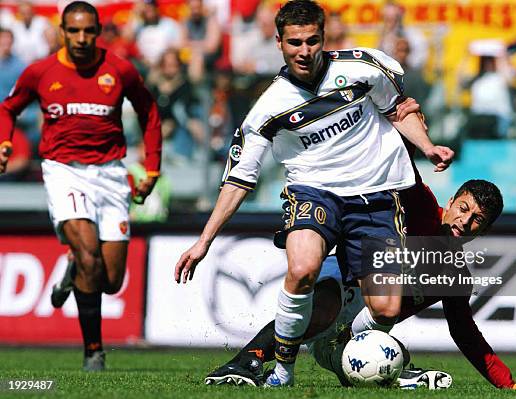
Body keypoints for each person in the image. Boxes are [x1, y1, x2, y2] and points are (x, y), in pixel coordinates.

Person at [174, 0, 453, 387]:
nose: (303, 51)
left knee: (387, 309)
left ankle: (339, 345)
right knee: (302, 269)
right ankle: (282, 371)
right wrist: (204, 241)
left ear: (323, 38)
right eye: (294, 43)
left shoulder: (364, 67)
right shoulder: (268, 108)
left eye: (311, 41)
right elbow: (239, 179)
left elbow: (399, 110)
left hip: (375, 194)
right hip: (314, 192)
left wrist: (427, 146)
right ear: (279, 43)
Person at [205, 180, 516, 390]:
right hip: (341, 285)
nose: (465, 221)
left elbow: (464, 333)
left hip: (354, 341)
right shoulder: (419, 205)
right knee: (326, 305)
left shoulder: (454, 275)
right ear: (450, 202)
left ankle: (396, 374)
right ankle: (247, 360)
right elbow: (394, 166)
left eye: (477, 220)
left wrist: (509, 385)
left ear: (483, 230)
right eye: (463, 209)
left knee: (387, 357)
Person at [0, 1, 162, 371]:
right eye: (74, 31)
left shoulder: (118, 69)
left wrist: (151, 169)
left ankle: (73, 268)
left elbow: (149, 111)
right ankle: (93, 351)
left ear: (99, 30)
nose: (82, 38)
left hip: (111, 175)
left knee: (109, 280)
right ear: (62, 31)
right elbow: (7, 108)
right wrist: (4, 141)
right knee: (90, 256)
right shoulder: (41, 71)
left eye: (89, 30)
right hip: (64, 172)